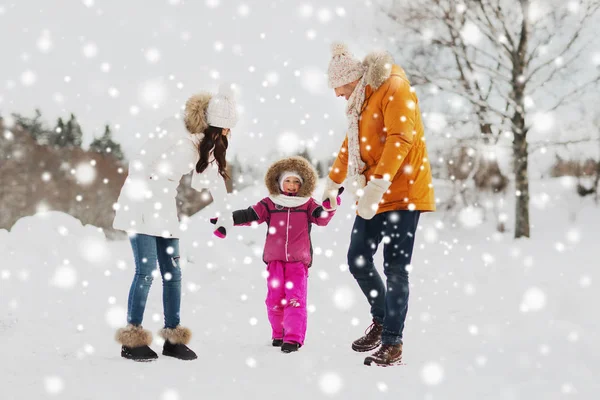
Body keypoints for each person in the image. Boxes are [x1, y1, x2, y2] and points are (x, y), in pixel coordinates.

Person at [321, 42, 436, 366]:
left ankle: (393, 344)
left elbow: (401, 138)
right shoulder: (361, 102)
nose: (336, 94)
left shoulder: (392, 87)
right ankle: (382, 319)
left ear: (353, 79)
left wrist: (379, 183)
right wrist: (333, 182)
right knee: (357, 258)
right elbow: (351, 144)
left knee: (395, 269)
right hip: (373, 193)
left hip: (403, 192)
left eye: (338, 86)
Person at [112, 84, 238, 361]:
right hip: (142, 200)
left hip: (165, 205)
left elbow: (213, 181)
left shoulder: (205, 144)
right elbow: (141, 159)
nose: (228, 133)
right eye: (226, 128)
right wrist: (141, 195)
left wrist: (225, 215)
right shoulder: (174, 127)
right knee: (145, 271)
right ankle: (131, 339)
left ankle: (172, 338)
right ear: (214, 123)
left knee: (173, 273)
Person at [210, 156, 342, 353]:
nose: (291, 185)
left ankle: (293, 338)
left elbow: (322, 218)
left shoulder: (307, 204)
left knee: (295, 299)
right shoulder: (270, 203)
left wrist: (332, 203)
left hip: (298, 262)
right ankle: (279, 333)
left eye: (296, 181)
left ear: (302, 184)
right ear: (280, 182)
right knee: (274, 299)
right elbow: (249, 215)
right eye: (288, 180)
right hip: (275, 261)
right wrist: (227, 220)